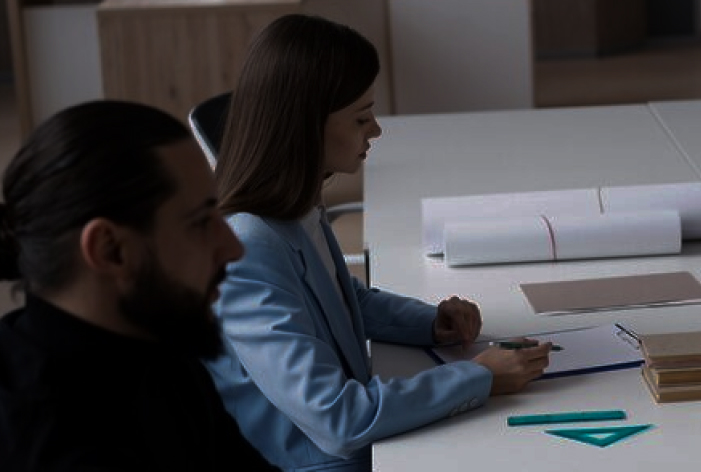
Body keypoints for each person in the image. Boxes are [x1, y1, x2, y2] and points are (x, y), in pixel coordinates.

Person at [205, 14, 552, 471]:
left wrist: (430, 324)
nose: (377, 130)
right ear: (304, 126)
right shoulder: (248, 249)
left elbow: (342, 300)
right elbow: (338, 419)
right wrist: (478, 377)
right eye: (362, 117)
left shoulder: (295, 205)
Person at [0, 101, 276, 470]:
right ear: (110, 250)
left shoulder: (151, 334)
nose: (233, 246)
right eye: (200, 222)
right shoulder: (58, 445)